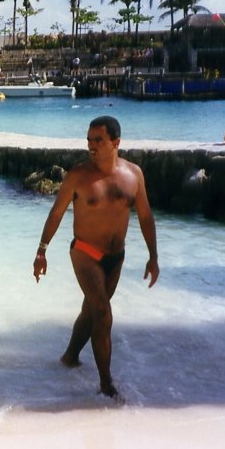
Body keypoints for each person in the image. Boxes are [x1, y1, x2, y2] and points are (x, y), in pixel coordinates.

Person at [32, 116, 159, 399]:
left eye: (98, 140)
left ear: (116, 142)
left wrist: (153, 256)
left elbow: (146, 216)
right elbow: (56, 212)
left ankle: (69, 357)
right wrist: (42, 250)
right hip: (85, 252)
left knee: (91, 311)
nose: (91, 145)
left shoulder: (134, 175)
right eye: (89, 140)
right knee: (102, 312)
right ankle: (106, 385)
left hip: (116, 256)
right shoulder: (79, 175)